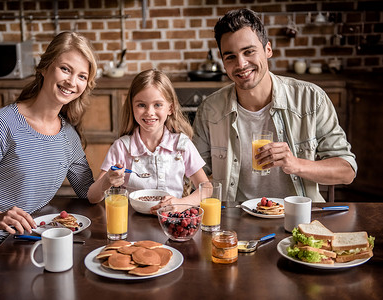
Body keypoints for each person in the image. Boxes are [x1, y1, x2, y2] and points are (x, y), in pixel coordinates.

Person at [0, 31, 98, 285]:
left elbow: (88, 192)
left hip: (27, 247)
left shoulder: (69, 136)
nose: (71, 81)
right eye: (65, 69)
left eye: (82, 76)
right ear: (44, 68)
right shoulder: (3, 123)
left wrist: (113, 177)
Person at [192, 9, 357, 204]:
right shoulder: (210, 110)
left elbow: (347, 171)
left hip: (299, 219)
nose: (241, 64)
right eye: (230, 57)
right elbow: (197, 177)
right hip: (235, 222)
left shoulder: (311, 98)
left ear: (268, 49)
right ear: (223, 62)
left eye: (249, 51)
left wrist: (296, 164)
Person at [87, 69, 208, 211]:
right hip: (131, 223)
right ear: (132, 107)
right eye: (141, 105)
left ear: (171, 108)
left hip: (172, 222)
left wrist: (182, 203)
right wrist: (107, 180)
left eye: (157, 105)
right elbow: (92, 197)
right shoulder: (121, 147)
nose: (149, 112)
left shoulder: (182, 145)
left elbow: (207, 188)